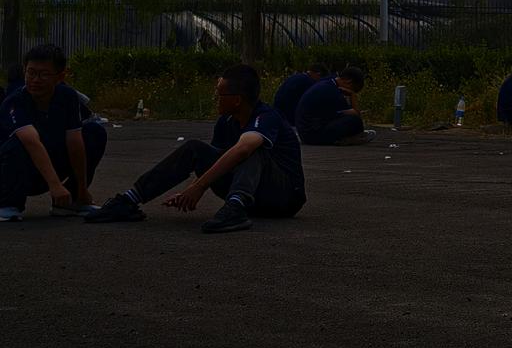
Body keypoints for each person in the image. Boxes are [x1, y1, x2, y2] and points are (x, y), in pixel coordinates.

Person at [85, 63, 305, 233]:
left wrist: (199, 187)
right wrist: (190, 189)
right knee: (195, 149)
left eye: (220, 95)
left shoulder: (266, 117)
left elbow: (242, 152)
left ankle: (236, 208)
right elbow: (217, 160)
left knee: (250, 148)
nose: (216, 100)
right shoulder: (226, 121)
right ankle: (130, 199)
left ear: (237, 100)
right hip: (254, 196)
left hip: (283, 198)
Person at [0, 44, 107, 222]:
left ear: (60, 77)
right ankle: (7, 204)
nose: (35, 80)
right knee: (18, 143)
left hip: (48, 166)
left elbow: (75, 142)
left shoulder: (67, 97)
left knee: (94, 132)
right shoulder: (14, 102)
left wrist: (82, 189)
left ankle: (69, 203)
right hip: (14, 172)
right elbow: (31, 143)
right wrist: (55, 185)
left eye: (43, 74)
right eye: (31, 73)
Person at [294, 66, 374, 146]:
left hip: (305, 131)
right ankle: (342, 139)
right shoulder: (333, 93)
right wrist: (353, 96)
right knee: (355, 121)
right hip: (312, 135)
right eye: (353, 89)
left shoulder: (327, 83)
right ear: (349, 82)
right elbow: (355, 114)